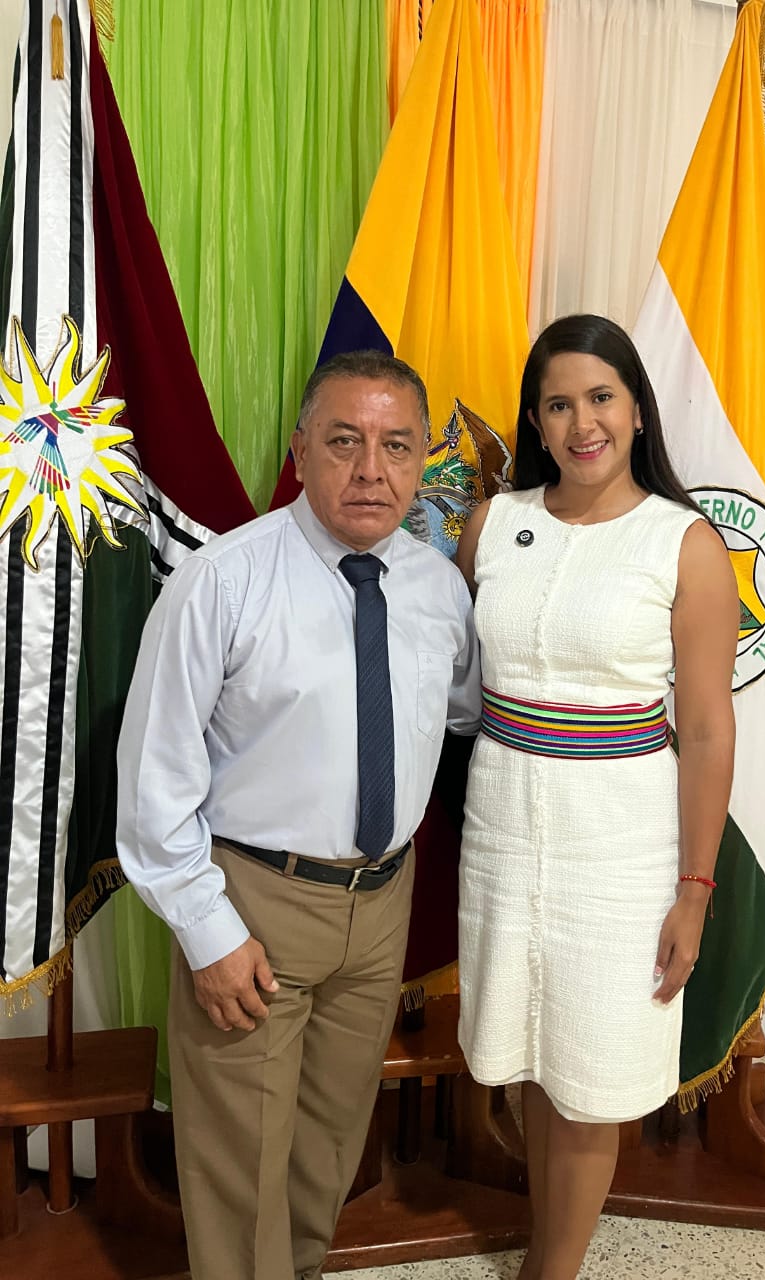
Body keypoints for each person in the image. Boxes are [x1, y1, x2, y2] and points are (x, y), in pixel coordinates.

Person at [116, 350, 481, 1280]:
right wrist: (208, 932)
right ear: (301, 449)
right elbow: (155, 776)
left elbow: (459, 716)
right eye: (344, 441)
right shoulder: (223, 581)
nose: (371, 470)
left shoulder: (438, 588)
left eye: (397, 446)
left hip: (381, 904)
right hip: (255, 903)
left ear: (422, 461)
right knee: (241, 1171)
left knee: (327, 1148)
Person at [455, 315, 738, 1280]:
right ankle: (548, 1246)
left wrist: (694, 889)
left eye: (602, 397)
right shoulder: (495, 523)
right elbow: (454, 673)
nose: (583, 423)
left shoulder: (683, 543)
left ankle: (553, 1273)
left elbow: (707, 731)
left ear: (638, 408)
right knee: (536, 1058)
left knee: (590, 1079)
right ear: (535, 421)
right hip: (503, 830)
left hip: (619, 850)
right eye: (559, 404)